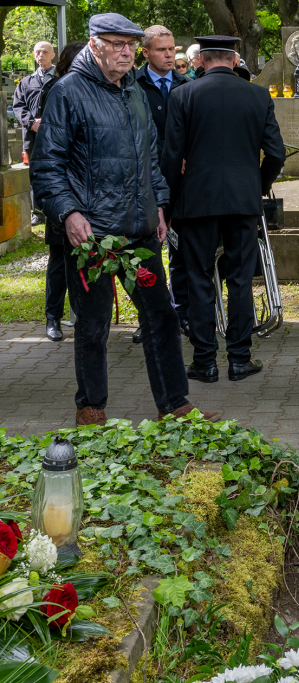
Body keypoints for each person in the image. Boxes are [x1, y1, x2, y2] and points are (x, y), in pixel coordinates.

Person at [31, 13, 218, 426]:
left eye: (131, 45)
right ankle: (91, 406)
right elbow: (47, 166)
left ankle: (174, 403)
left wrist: (160, 205)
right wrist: (69, 213)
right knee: (93, 324)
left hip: (139, 231)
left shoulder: (133, 91)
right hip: (91, 236)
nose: (126, 52)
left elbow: (150, 157)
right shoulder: (67, 92)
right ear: (95, 45)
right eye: (117, 44)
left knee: (161, 317)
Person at [161, 35, 286, 384]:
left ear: (200, 61)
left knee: (199, 279)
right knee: (241, 279)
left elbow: (171, 157)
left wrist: (167, 205)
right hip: (243, 201)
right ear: (235, 60)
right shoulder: (258, 95)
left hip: (196, 201)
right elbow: (275, 153)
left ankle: (205, 361)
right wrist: (257, 186)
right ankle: (239, 358)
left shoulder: (182, 95)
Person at [134, 24, 190, 345]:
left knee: (180, 248)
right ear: (146, 52)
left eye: (172, 49)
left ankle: (180, 313)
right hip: (146, 183)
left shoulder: (186, 84)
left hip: (182, 183)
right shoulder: (134, 86)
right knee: (147, 254)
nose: (169, 55)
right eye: (161, 50)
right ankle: (151, 316)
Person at [36, 41, 86, 343]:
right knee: (59, 260)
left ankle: (84, 315)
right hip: (62, 189)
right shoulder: (55, 89)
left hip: (87, 193)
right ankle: (52, 316)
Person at [13, 41, 56, 167]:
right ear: (34, 55)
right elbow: (18, 106)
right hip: (32, 139)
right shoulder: (25, 82)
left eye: (45, 52)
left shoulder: (62, 80)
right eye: (38, 52)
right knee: (36, 178)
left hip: (56, 138)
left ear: (52, 55)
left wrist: (47, 122)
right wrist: (32, 123)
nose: (41, 55)